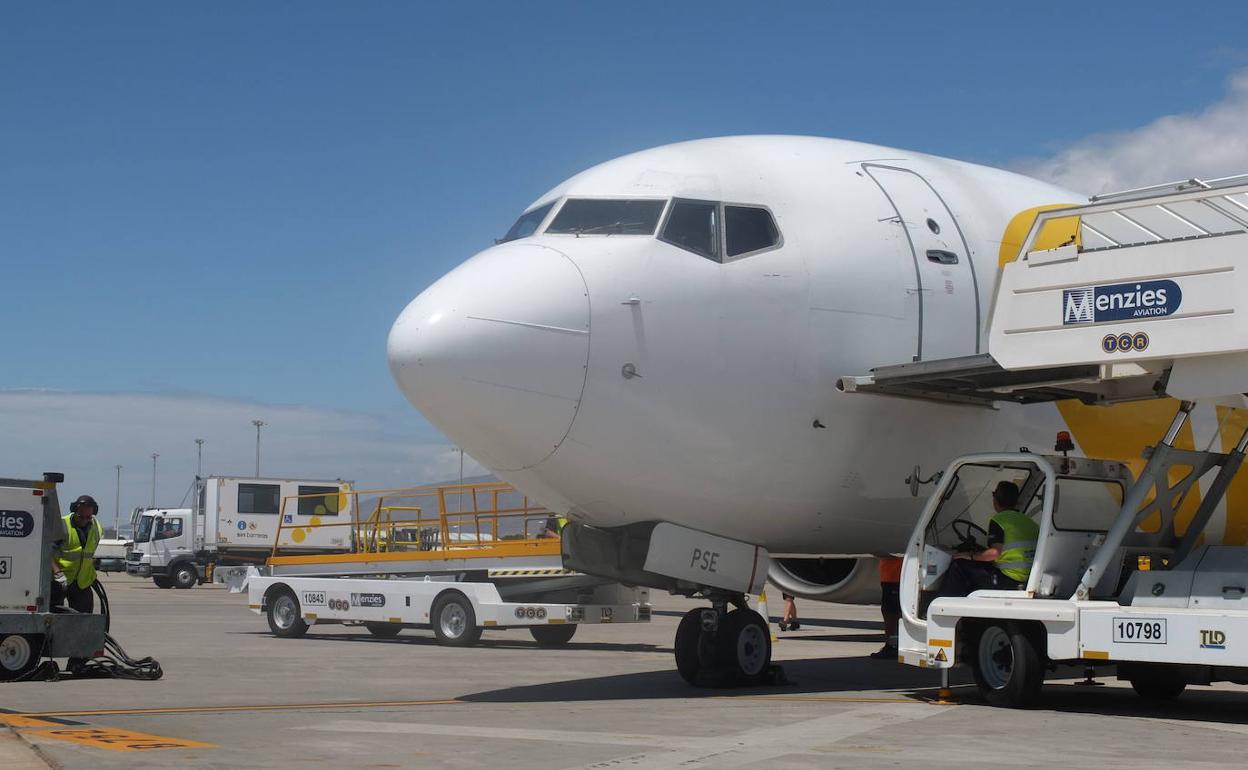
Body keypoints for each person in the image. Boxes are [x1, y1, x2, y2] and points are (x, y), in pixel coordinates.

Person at [938, 481, 1039, 597]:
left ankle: (942, 605)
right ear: (1016, 501)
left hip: (1007, 579)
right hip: (1026, 579)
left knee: (958, 565)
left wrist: (970, 555)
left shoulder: (999, 520)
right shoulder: (1030, 522)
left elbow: (994, 553)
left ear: (995, 499)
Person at [52, 494, 104, 614]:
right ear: (74, 510)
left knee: (84, 620)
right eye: (81, 516)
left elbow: (89, 554)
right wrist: (57, 572)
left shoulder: (97, 528)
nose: (84, 520)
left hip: (82, 583)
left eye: (88, 517)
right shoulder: (62, 525)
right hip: (60, 581)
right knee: (53, 617)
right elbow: (47, 552)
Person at [870, 555, 903, 659]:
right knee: (889, 612)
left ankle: (893, 645)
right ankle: (892, 644)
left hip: (895, 577)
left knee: (891, 613)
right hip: (889, 577)